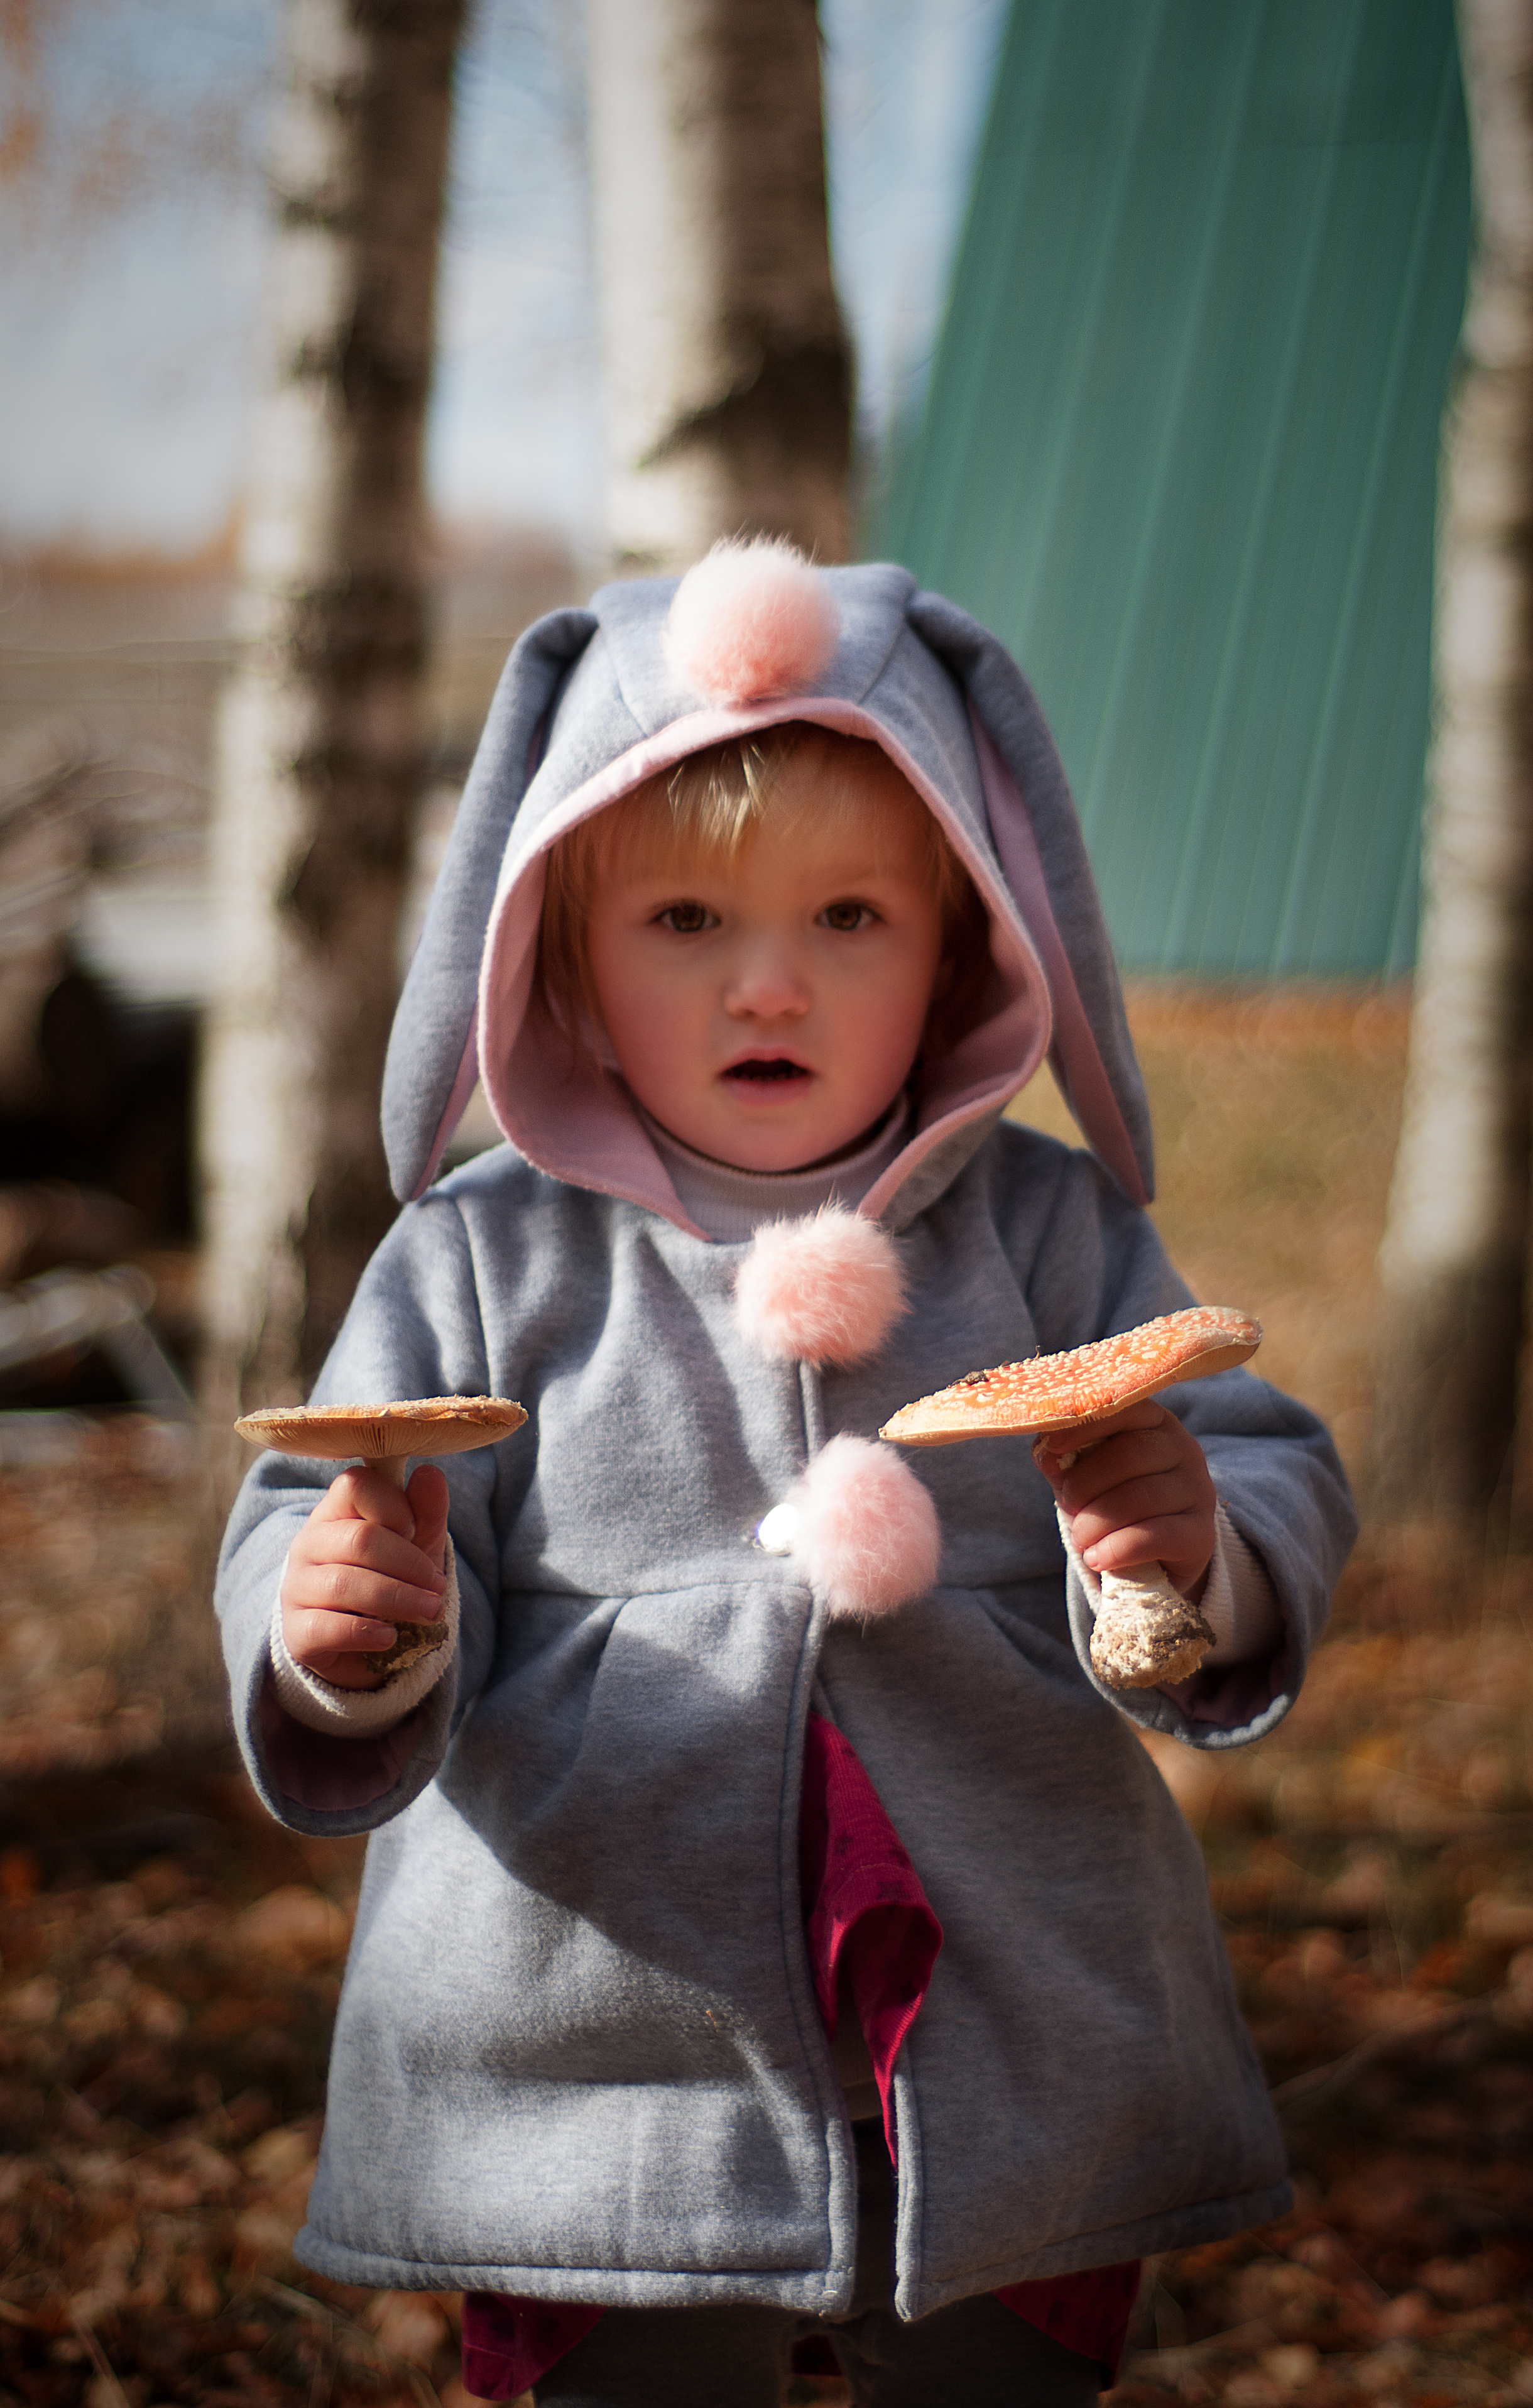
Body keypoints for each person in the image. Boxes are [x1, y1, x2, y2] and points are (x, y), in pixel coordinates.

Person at [215, 541, 1356, 2408]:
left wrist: (1190, 1563)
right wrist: (352, 1631)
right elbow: (316, 1516)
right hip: (597, 2021)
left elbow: (1261, 1453)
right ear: (561, 953)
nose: (771, 987)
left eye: (849, 921)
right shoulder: (483, 1255)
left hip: (1014, 2019)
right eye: (685, 923)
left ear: (971, 941)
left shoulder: (1048, 1234)